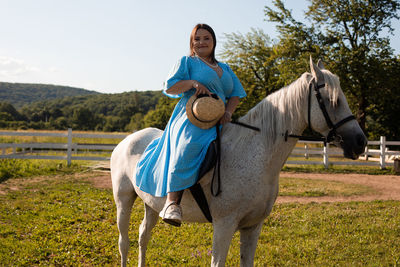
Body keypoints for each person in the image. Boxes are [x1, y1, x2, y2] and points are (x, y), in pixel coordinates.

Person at [135, 23, 246, 226]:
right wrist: (193, 83)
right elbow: (170, 86)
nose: (202, 42)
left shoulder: (225, 68)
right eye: (197, 39)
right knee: (188, 145)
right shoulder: (187, 62)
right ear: (191, 43)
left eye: (206, 38)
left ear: (213, 42)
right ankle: (172, 203)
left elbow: (236, 94)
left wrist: (229, 112)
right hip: (191, 117)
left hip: (219, 118)